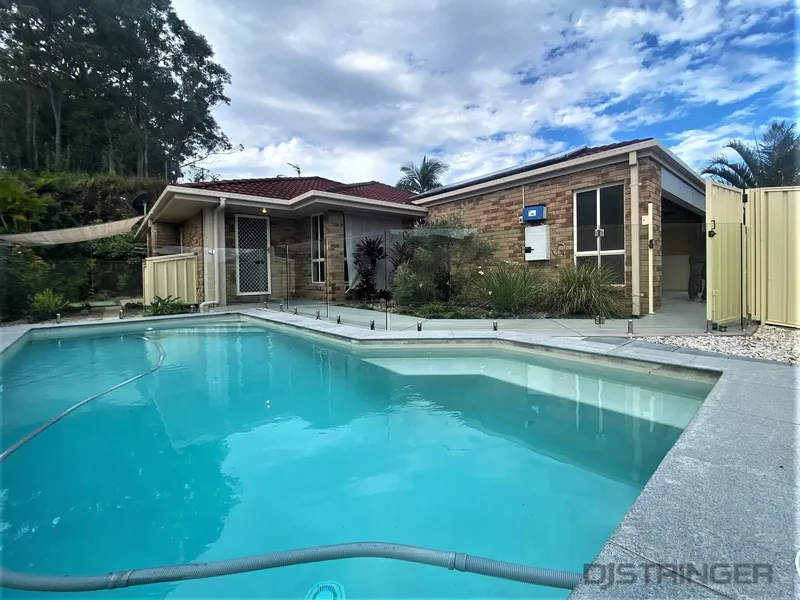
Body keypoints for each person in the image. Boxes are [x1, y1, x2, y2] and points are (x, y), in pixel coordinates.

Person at [688, 234, 706, 301]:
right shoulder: (704, 235)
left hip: (703, 257)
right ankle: (693, 295)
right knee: (695, 277)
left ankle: (705, 295)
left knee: (708, 277)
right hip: (697, 258)